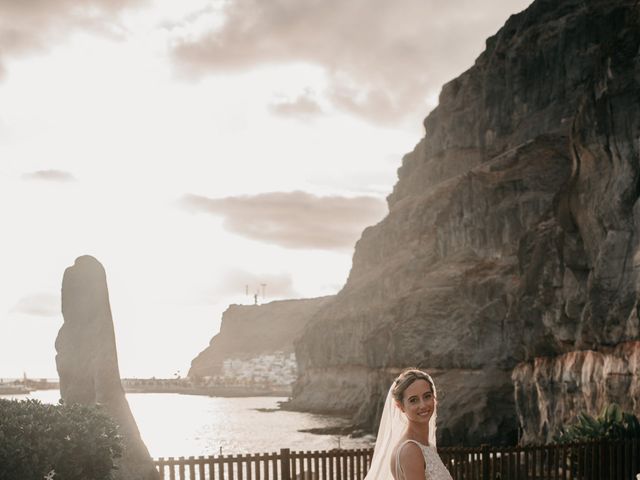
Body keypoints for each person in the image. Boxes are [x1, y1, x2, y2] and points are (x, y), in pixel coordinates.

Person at [364, 369, 453, 480]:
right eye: (413, 400)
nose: (423, 405)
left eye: (427, 396)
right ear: (400, 406)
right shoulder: (410, 451)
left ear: (434, 398)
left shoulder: (426, 446)